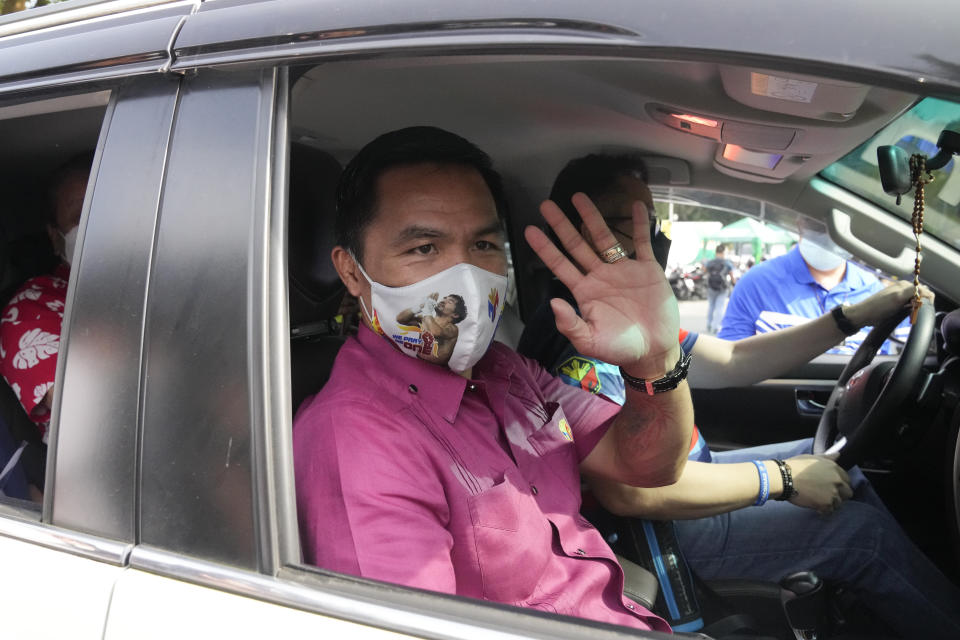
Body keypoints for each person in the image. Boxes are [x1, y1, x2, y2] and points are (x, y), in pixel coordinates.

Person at [517, 152, 960, 640]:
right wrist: (783, 478)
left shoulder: (626, 319)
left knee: (844, 465)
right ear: (580, 232)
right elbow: (632, 492)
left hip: (691, 480)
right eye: (634, 223)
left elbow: (735, 361)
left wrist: (851, 317)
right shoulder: (571, 341)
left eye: (655, 221)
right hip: (666, 531)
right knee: (864, 538)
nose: (655, 239)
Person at [293, 127, 694, 632]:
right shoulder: (357, 439)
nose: (464, 275)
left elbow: (648, 465)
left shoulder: (506, 371)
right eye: (423, 248)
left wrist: (654, 362)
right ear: (352, 273)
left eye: (482, 243)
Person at [0, 152, 90, 441]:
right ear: (55, 236)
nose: (101, 226)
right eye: (81, 218)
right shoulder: (32, 308)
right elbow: (96, 413)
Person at [718, 221, 907, 353]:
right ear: (799, 223)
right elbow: (730, 358)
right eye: (816, 224)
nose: (826, 233)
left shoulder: (873, 291)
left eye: (837, 225)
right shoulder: (756, 284)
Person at [395, 292, 466, 365]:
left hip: (438, 370)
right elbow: (400, 319)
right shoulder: (425, 318)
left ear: (455, 314)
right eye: (444, 298)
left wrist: (427, 310)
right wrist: (420, 307)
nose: (443, 300)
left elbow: (435, 332)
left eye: (450, 302)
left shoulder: (452, 329)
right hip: (418, 361)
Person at [703, 243, 735, 334]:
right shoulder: (727, 263)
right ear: (723, 252)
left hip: (711, 287)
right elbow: (732, 277)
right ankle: (716, 327)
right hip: (722, 288)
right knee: (720, 307)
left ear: (716, 252)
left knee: (711, 306)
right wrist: (734, 283)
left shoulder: (710, 262)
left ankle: (709, 325)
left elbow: (704, 271)